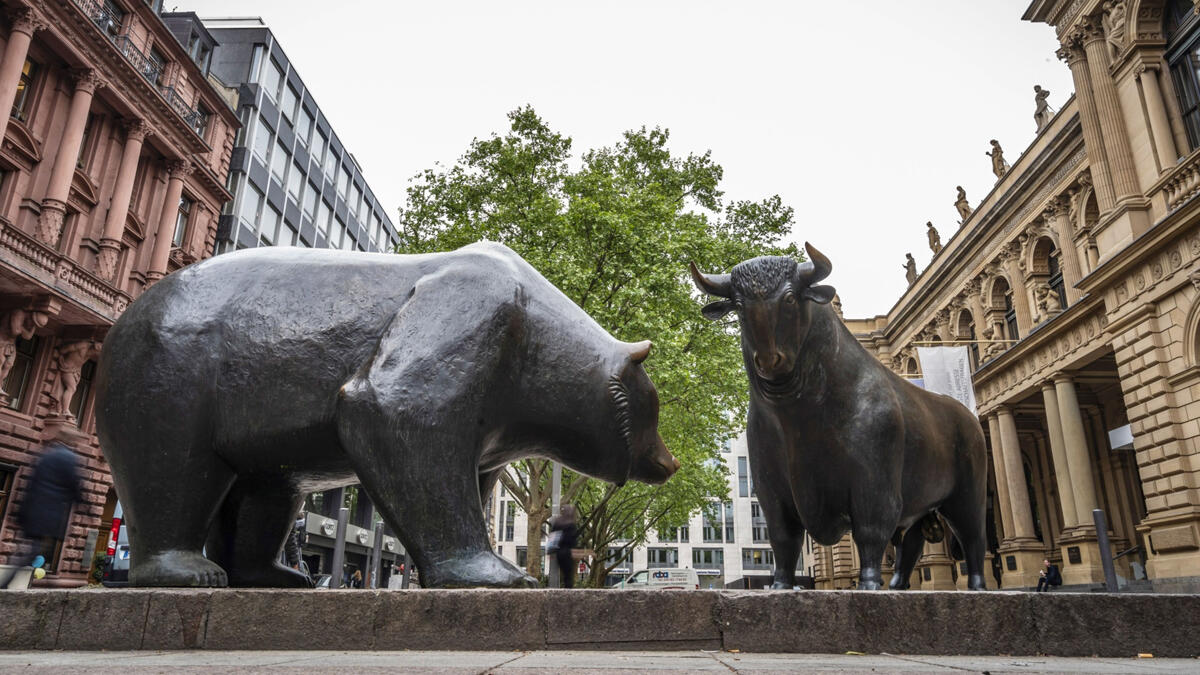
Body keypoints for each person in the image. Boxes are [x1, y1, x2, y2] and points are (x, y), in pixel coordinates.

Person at [0, 441, 82, 588]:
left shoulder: (45, 457)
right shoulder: (68, 459)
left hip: (33, 512)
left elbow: (30, 485)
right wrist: (85, 506)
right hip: (47, 513)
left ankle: (9, 582)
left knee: (32, 550)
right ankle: (7, 583)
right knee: (37, 550)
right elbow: (74, 486)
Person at [548, 504, 578, 588]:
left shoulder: (557, 522)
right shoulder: (571, 524)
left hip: (558, 552)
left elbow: (552, 537)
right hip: (567, 552)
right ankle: (568, 594)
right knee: (568, 576)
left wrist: (551, 551)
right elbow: (573, 540)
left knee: (564, 574)